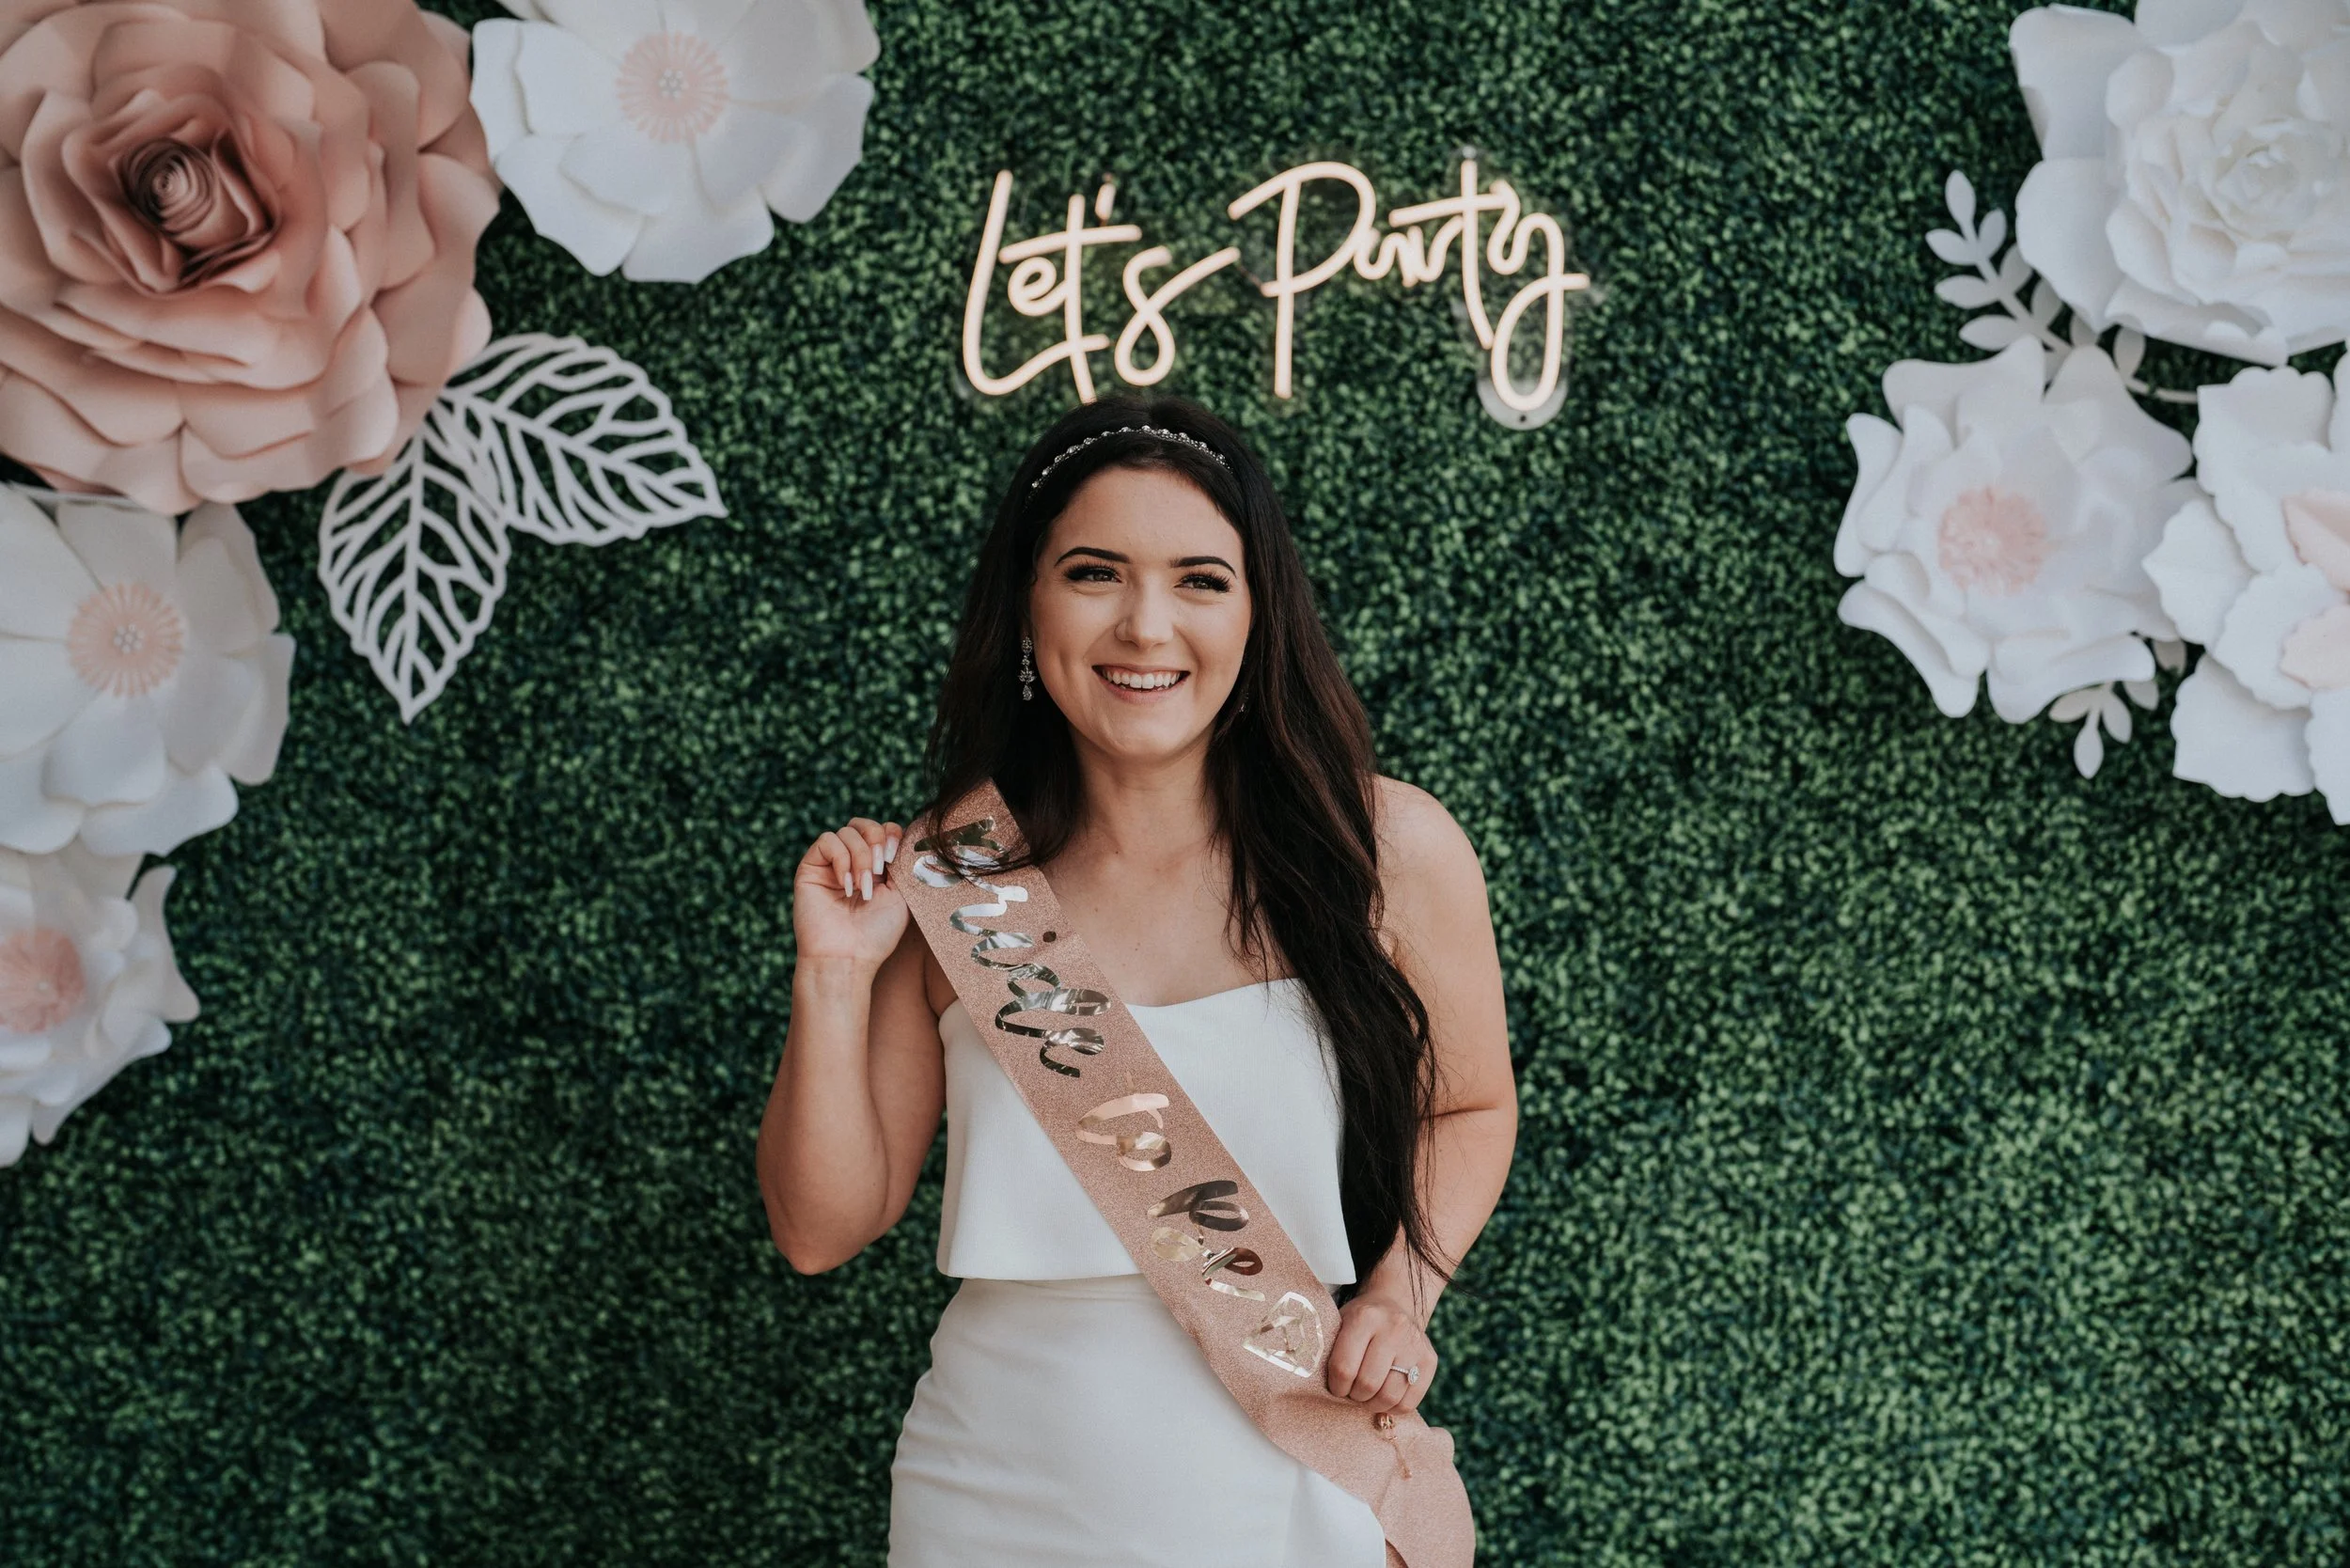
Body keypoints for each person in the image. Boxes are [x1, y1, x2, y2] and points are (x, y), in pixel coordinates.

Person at [755, 394, 1517, 1566]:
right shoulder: (954, 882)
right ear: (1028, 603)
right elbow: (820, 1230)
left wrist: (1395, 1298)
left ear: (1258, 614)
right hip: (988, 1489)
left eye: (1200, 580)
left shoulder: (1383, 852)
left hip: (1282, 1464)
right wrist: (834, 975)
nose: (1145, 625)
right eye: (1094, 573)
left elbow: (1469, 1106)